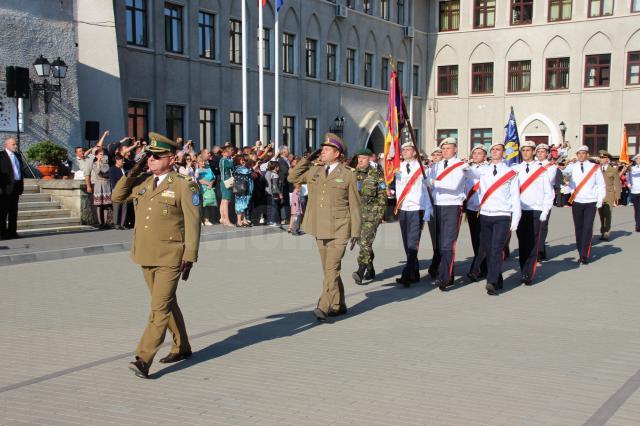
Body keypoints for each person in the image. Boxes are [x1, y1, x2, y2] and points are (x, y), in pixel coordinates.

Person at [112, 132, 201, 379]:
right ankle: (182, 346)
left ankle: (143, 358)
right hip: (145, 254)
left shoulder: (184, 185)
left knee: (159, 307)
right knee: (167, 302)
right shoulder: (141, 182)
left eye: (156, 156)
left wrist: (190, 256)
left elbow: (193, 224)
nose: (151, 160)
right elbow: (117, 197)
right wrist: (134, 170)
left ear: (171, 159)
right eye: (148, 156)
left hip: (171, 256)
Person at [288, 133, 361, 322]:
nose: (323, 152)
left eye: (327, 149)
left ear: (337, 154)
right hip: (319, 227)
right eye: (322, 149)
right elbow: (292, 176)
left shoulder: (347, 174)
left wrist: (356, 232)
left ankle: (324, 304)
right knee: (329, 270)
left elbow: (355, 204)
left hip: (340, 227)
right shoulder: (316, 171)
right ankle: (339, 304)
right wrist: (306, 159)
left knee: (332, 268)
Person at [467, 142, 521, 295]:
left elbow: (515, 197)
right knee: (489, 250)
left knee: (497, 249)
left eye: (498, 150)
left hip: (502, 215)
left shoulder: (510, 172)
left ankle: (491, 281)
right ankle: (498, 280)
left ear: (503, 153)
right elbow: (467, 173)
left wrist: (515, 219)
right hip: (485, 214)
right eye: (493, 150)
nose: (495, 152)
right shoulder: (483, 170)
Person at [427, 137, 468, 291]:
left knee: (448, 243)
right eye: (443, 149)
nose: (445, 151)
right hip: (437, 205)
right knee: (439, 243)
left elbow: (453, 185)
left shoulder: (461, 166)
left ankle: (444, 277)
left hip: (452, 205)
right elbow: (427, 186)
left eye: (448, 148)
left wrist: (433, 183)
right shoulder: (436, 166)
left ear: (455, 149)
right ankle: (447, 274)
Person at [513, 141, 554, 285]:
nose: (525, 152)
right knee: (522, 242)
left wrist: (545, 210)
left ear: (534, 152)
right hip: (520, 210)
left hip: (535, 210)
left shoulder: (541, 170)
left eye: (528, 150)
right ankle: (523, 269)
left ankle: (528, 274)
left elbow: (549, 193)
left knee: (532, 242)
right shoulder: (515, 169)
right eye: (523, 150)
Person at [394, 141, 433, 287]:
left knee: (413, 242)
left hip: (417, 208)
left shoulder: (423, 168)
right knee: (406, 242)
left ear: (415, 152)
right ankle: (414, 272)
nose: (404, 151)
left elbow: (426, 190)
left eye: (408, 149)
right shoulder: (398, 168)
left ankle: (406, 274)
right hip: (403, 207)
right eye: (403, 149)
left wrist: (428, 209)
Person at [560, 145, 606, 264]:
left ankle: (585, 254)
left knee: (587, 227)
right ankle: (581, 251)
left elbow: (601, 184)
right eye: (578, 153)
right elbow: (563, 173)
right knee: (579, 228)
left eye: (583, 153)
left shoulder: (594, 167)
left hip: (591, 201)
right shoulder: (572, 167)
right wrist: (562, 160)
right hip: (577, 201)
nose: (581, 155)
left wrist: (600, 200)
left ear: (587, 154)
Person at [352, 148, 387, 285]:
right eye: (359, 158)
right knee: (363, 243)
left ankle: (360, 270)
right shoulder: (353, 174)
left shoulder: (377, 174)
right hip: (357, 214)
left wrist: (379, 214)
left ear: (370, 159)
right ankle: (370, 268)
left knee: (365, 242)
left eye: (364, 158)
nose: (360, 160)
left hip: (372, 214)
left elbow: (383, 195)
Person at [464, 144, 488, 280]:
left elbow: (476, 174)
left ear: (484, 156)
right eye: (475, 153)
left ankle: (476, 269)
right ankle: (484, 267)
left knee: (483, 239)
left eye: (480, 153)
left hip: (482, 208)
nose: (476, 155)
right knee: (475, 239)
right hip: (471, 208)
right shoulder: (469, 169)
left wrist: (465, 168)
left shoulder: (487, 168)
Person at [535, 144, 557, 260]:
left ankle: (539, 251)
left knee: (542, 225)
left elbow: (547, 181)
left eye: (542, 152)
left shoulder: (551, 167)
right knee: (533, 226)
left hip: (545, 199)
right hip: (532, 199)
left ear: (547, 154)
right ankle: (539, 248)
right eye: (538, 151)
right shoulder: (532, 165)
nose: (540, 154)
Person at [0, 137, 25, 240]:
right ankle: (2, 233)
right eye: (13, 144)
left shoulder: (18, 156)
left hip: (16, 187)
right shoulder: (1, 156)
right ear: (6, 145)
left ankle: (12, 232)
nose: (16, 146)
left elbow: (19, 170)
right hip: (5, 188)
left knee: (13, 212)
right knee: (3, 212)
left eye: (16, 144)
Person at [597, 150, 621, 241]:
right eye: (600, 157)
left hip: (609, 195)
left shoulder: (613, 170)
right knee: (601, 215)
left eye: (603, 158)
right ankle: (603, 230)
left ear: (607, 159)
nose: (601, 159)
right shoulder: (597, 169)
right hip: (599, 195)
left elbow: (617, 184)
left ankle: (607, 232)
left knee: (608, 214)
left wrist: (617, 196)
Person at [91, 150, 113, 229]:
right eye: (100, 154)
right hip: (99, 185)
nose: (102, 156)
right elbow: (98, 172)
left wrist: (103, 165)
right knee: (99, 205)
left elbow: (107, 173)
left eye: (103, 155)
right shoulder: (94, 164)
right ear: (96, 156)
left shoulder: (106, 164)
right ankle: (100, 222)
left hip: (106, 184)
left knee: (106, 205)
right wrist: (98, 163)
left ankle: (106, 222)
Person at [195, 154, 216, 226]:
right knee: (201, 205)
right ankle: (200, 220)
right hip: (201, 189)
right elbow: (198, 179)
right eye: (201, 161)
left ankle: (207, 220)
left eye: (204, 161)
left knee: (208, 204)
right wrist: (208, 183)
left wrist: (211, 183)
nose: (203, 163)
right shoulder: (198, 170)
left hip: (209, 188)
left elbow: (213, 177)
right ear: (198, 162)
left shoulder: (208, 168)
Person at [233, 155, 253, 227]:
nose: (243, 161)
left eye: (244, 159)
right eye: (241, 160)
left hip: (245, 189)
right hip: (240, 189)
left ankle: (244, 220)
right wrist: (249, 165)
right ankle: (238, 221)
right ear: (238, 161)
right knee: (239, 205)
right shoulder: (238, 168)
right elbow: (248, 171)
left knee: (244, 205)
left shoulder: (244, 167)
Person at [109, 154, 128, 229]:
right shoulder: (112, 169)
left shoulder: (124, 169)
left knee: (124, 207)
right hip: (117, 190)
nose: (123, 162)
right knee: (117, 207)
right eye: (122, 160)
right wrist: (115, 190)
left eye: (123, 160)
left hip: (125, 190)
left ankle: (123, 224)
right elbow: (113, 181)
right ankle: (116, 224)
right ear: (117, 160)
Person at [218, 146, 234, 226]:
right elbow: (231, 165)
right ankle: (227, 220)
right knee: (225, 201)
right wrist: (231, 159)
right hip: (226, 182)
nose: (231, 153)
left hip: (225, 181)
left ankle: (223, 218)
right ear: (224, 153)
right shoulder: (224, 160)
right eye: (230, 151)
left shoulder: (224, 160)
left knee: (223, 201)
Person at [265, 161, 282, 226]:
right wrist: (279, 193)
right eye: (278, 166)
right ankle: (272, 221)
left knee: (270, 207)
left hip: (270, 192)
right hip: (274, 193)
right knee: (274, 207)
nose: (279, 168)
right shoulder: (275, 175)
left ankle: (269, 220)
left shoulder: (269, 173)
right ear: (275, 167)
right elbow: (275, 186)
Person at [628, 154, 640, 232]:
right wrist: (629, 185)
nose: (639, 160)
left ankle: (638, 225)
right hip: (634, 191)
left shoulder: (632, 169)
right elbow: (628, 178)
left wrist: (629, 168)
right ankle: (637, 224)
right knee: (637, 209)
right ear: (636, 160)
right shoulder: (632, 169)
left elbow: (636, 171)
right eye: (638, 159)